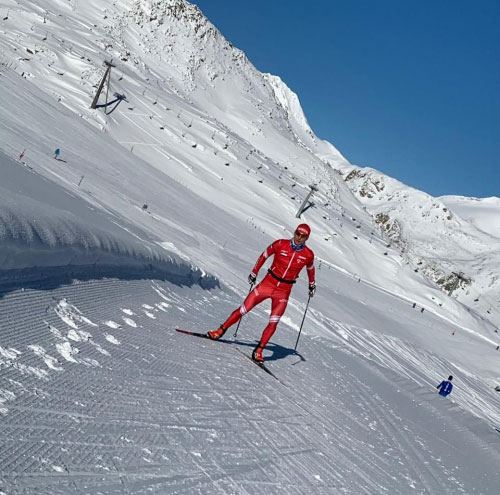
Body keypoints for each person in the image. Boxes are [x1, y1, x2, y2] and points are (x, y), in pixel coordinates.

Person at [207, 223, 316, 362]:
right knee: (243, 309)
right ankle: (220, 331)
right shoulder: (280, 244)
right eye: (297, 234)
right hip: (267, 284)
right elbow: (264, 255)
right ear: (294, 232)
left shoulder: (308, 255)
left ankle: (259, 349)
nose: (299, 237)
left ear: (307, 238)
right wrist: (254, 272)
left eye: (303, 236)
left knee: (273, 322)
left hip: (283, 291)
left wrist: (312, 284)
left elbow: (310, 269)